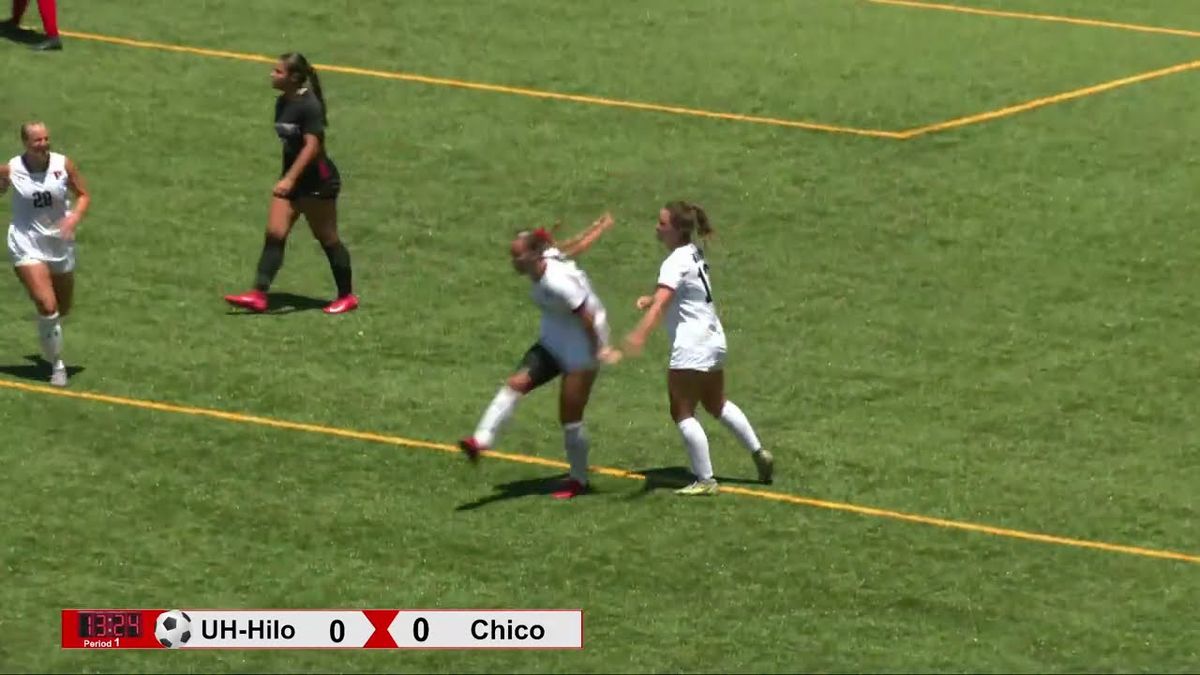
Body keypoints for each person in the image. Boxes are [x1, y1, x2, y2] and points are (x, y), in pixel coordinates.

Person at [616, 201, 772, 496]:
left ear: (677, 229)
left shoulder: (674, 261)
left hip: (692, 345)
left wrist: (640, 333)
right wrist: (651, 299)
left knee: (682, 410)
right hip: (714, 340)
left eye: (662, 224)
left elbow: (666, 300)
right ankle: (758, 452)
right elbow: (686, 294)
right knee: (716, 403)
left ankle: (705, 479)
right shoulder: (694, 253)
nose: (657, 228)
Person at [458, 213, 618, 500]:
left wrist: (599, 348)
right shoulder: (546, 260)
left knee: (570, 418)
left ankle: (578, 480)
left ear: (533, 255)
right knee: (515, 383)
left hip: (582, 346)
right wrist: (599, 228)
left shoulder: (558, 283)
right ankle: (480, 440)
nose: (514, 263)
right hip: (554, 340)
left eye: (517, 257)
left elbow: (586, 315)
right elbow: (574, 249)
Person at [224, 52, 357, 315]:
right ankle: (259, 294)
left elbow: (312, 146)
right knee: (275, 234)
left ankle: (347, 296)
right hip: (292, 182)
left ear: (294, 77)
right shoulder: (282, 102)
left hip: (318, 183)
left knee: (328, 238)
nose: (272, 75)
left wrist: (290, 179)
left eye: (278, 72)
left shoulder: (309, 107)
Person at [1, 122, 90, 386]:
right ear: (25, 143)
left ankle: (46, 332)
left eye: (46, 138)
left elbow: (83, 195)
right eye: (37, 140)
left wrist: (74, 217)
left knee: (62, 308)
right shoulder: (12, 168)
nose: (43, 144)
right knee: (48, 306)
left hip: (59, 245)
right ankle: (57, 366)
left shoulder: (63, 165)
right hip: (25, 243)